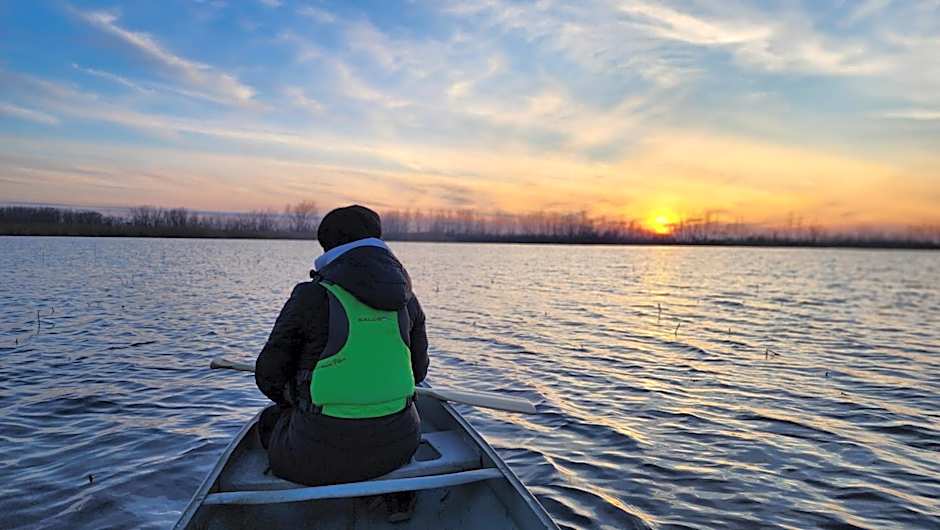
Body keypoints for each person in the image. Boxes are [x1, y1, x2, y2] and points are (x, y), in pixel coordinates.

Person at [254, 205, 428, 518]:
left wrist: (297, 395)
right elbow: (418, 373)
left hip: (315, 456)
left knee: (269, 421)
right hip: (400, 444)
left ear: (329, 250)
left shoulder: (311, 296)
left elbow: (268, 376)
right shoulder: (407, 301)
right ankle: (391, 491)